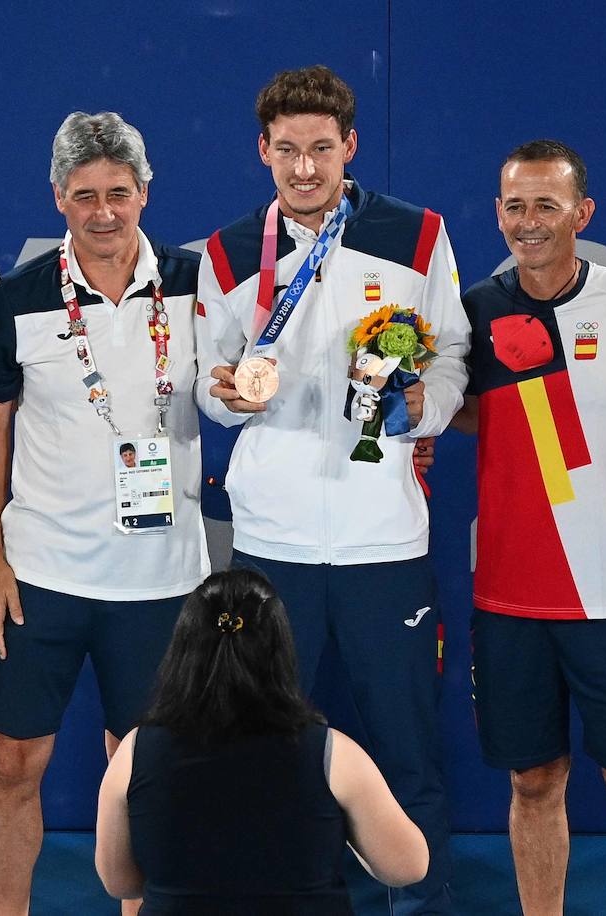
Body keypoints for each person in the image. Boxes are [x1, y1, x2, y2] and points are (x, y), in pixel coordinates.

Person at [195, 65, 469, 914]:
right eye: (287, 150)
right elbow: (208, 377)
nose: (305, 168)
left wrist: (429, 404)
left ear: (350, 146)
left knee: (406, 751)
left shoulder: (418, 236)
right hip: (272, 546)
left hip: (384, 543)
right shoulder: (228, 251)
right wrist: (227, 395)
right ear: (262, 151)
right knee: (266, 749)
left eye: (322, 148)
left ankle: (417, 907)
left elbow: (452, 354)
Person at [0, 111, 209, 914]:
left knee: (142, 771)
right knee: (14, 768)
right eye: (84, 196)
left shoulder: (197, 286)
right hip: (42, 576)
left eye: (118, 193)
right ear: (57, 199)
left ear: (145, 192)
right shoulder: (17, 300)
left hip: (162, 581)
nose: (102, 212)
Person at [450, 140, 606, 916]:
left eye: (547, 205)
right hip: (511, 596)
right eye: (515, 205)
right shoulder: (472, 311)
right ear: (497, 213)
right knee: (533, 781)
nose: (529, 222)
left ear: (583, 213)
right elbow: (459, 411)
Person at [96, 568, 429, 913]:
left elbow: (119, 883)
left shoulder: (134, 751)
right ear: (281, 647)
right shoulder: (335, 755)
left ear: (183, 647)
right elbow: (408, 866)